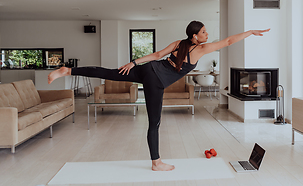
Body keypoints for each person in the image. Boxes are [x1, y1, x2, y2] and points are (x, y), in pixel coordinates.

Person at [48, 21, 270, 171]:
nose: (207, 35)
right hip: (155, 81)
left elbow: (156, 55)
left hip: (148, 69)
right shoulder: (199, 49)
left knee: (109, 73)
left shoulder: (179, 44)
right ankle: (156, 162)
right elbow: (229, 41)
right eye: (204, 32)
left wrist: (134, 62)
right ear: (195, 35)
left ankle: (68, 70)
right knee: (154, 123)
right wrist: (249, 32)